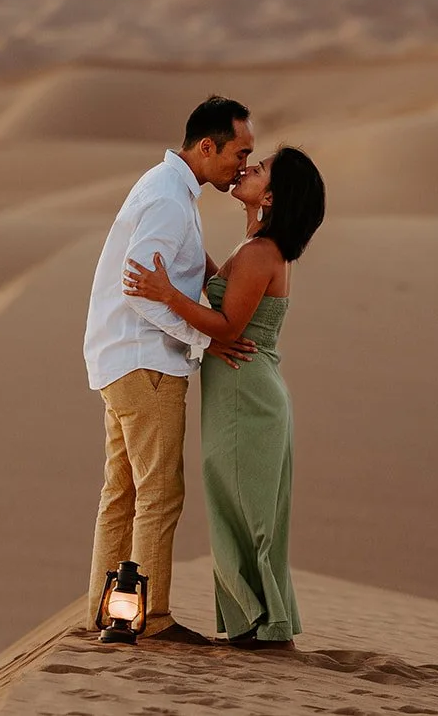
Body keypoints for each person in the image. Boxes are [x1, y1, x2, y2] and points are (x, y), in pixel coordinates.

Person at [124, 145, 326, 650]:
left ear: (275, 194)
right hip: (243, 393)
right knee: (238, 506)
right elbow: (224, 285)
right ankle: (255, 623)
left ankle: (263, 628)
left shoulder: (261, 253)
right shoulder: (257, 243)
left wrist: (166, 294)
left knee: (246, 510)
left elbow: (229, 324)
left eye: (262, 170)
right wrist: (245, 215)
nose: (249, 168)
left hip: (246, 397)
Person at [84, 96, 258, 645]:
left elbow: (174, 266)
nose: (243, 163)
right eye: (240, 151)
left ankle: (106, 611)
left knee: (124, 493)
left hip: (124, 359)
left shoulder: (167, 188)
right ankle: (149, 618)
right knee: (159, 494)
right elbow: (141, 291)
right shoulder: (167, 198)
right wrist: (206, 337)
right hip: (146, 361)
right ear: (207, 147)